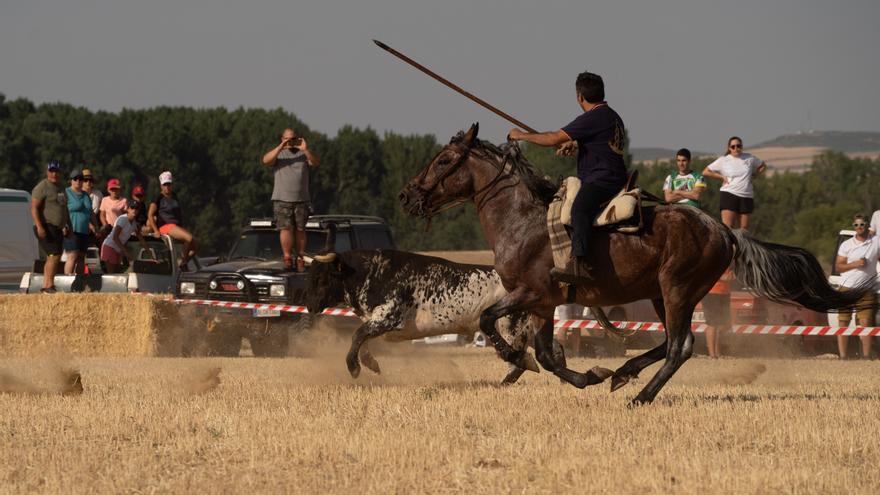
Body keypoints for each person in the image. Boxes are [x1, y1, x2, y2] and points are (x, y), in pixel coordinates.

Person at [508, 71, 628, 282]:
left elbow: (553, 138)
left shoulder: (592, 117)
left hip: (602, 180)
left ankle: (579, 262)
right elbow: (600, 143)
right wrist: (576, 144)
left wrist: (520, 135)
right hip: (615, 176)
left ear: (579, 97)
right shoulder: (612, 115)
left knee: (579, 208)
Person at [261, 127, 321, 272]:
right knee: (285, 228)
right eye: (288, 139)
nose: (291, 142)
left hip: (301, 198)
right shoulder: (279, 154)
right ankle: (287, 256)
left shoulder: (303, 154)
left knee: (301, 229)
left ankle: (300, 256)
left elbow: (316, 162)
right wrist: (281, 146)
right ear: (282, 139)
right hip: (282, 198)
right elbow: (265, 160)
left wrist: (305, 149)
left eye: (293, 138)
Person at [835, 214, 879, 359]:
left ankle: (865, 357)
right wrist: (855, 264)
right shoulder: (846, 245)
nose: (859, 227)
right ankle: (842, 356)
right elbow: (839, 267)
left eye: (862, 224)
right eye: (856, 225)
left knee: (866, 323)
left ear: (867, 225)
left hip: (866, 289)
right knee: (843, 322)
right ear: (853, 226)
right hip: (846, 287)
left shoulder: (876, 242)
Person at [702, 137, 767, 230]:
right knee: (728, 227)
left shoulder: (750, 158)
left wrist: (755, 174)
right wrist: (721, 177)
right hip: (729, 194)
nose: (736, 148)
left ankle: (740, 245)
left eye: (738, 146)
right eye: (733, 146)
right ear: (729, 148)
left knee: (744, 229)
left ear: (742, 146)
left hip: (746, 195)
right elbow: (705, 171)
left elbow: (762, 165)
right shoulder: (723, 160)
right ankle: (729, 245)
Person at [30, 160, 70, 293]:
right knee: (54, 255)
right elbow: (34, 208)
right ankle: (49, 285)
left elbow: (64, 209)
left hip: (58, 228)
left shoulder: (60, 188)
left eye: (56, 171)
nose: (54, 174)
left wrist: (68, 225)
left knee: (53, 256)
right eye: (52, 171)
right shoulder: (42, 186)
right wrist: (39, 226)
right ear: (47, 172)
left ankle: (46, 285)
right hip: (46, 226)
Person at [147, 171, 198, 270]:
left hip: (176, 226)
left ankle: (181, 263)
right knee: (189, 238)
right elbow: (150, 214)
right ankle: (183, 264)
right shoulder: (158, 198)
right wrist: (156, 230)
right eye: (165, 184)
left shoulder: (174, 196)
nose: (167, 187)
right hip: (165, 226)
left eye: (169, 184)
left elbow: (178, 213)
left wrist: (181, 227)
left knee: (196, 244)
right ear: (161, 185)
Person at [101, 200, 151, 273]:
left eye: (136, 208)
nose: (134, 210)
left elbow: (141, 239)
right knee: (111, 274)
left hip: (117, 249)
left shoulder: (134, 224)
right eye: (132, 208)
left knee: (117, 274)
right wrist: (125, 252)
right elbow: (115, 237)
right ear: (128, 209)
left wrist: (150, 254)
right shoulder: (122, 219)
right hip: (110, 246)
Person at [63, 168, 95, 275]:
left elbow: (91, 212)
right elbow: (60, 210)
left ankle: (80, 283)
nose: (78, 181)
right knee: (72, 256)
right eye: (75, 179)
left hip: (84, 231)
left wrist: (97, 226)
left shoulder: (86, 195)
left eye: (81, 179)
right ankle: (67, 283)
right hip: (71, 230)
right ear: (70, 180)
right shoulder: (66, 193)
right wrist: (63, 225)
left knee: (81, 257)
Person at [703, 268, 733, 359]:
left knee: (721, 324)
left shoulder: (729, 257)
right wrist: (721, 277)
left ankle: (717, 353)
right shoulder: (710, 255)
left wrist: (732, 275)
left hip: (725, 293)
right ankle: (712, 355)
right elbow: (705, 271)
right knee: (712, 323)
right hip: (711, 293)